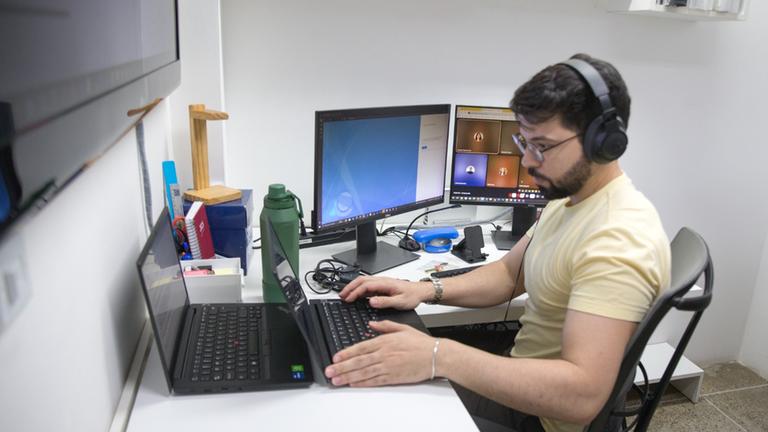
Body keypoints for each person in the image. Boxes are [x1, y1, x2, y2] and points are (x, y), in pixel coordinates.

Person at [325, 53, 671, 432]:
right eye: (525, 143)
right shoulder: (570, 200)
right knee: (370, 387)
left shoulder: (618, 241)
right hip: (521, 386)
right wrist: (422, 290)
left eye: (542, 146)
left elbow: (582, 398)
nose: (528, 162)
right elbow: (509, 274)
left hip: (540, 420)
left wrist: (438, 355)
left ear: (603, 141)